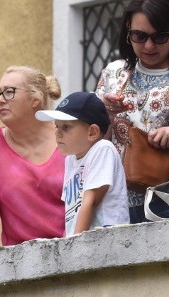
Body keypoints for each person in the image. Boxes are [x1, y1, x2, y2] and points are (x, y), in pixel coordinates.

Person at [95, 0, 169, 223]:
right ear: (127, 32)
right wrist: (106, 114)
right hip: (117, 199)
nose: (149, 45)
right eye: (139, 36)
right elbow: (96, 142)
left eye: (159, 37)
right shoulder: (113, 74)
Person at [0, 66, 65, 255]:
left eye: (9, 92)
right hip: (19, 266)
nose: (0, 100)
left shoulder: (69, 138)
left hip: (72, 258)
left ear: (36, 99)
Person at [36, 92, 129, 236]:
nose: (57, 133)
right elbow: (71, 212)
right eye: (57, 126)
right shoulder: (70, 160)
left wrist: (74, 246)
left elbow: (90, 201)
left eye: (66, 127)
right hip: (83, 245)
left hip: (107, 243)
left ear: (92, 132)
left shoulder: (103, 149)